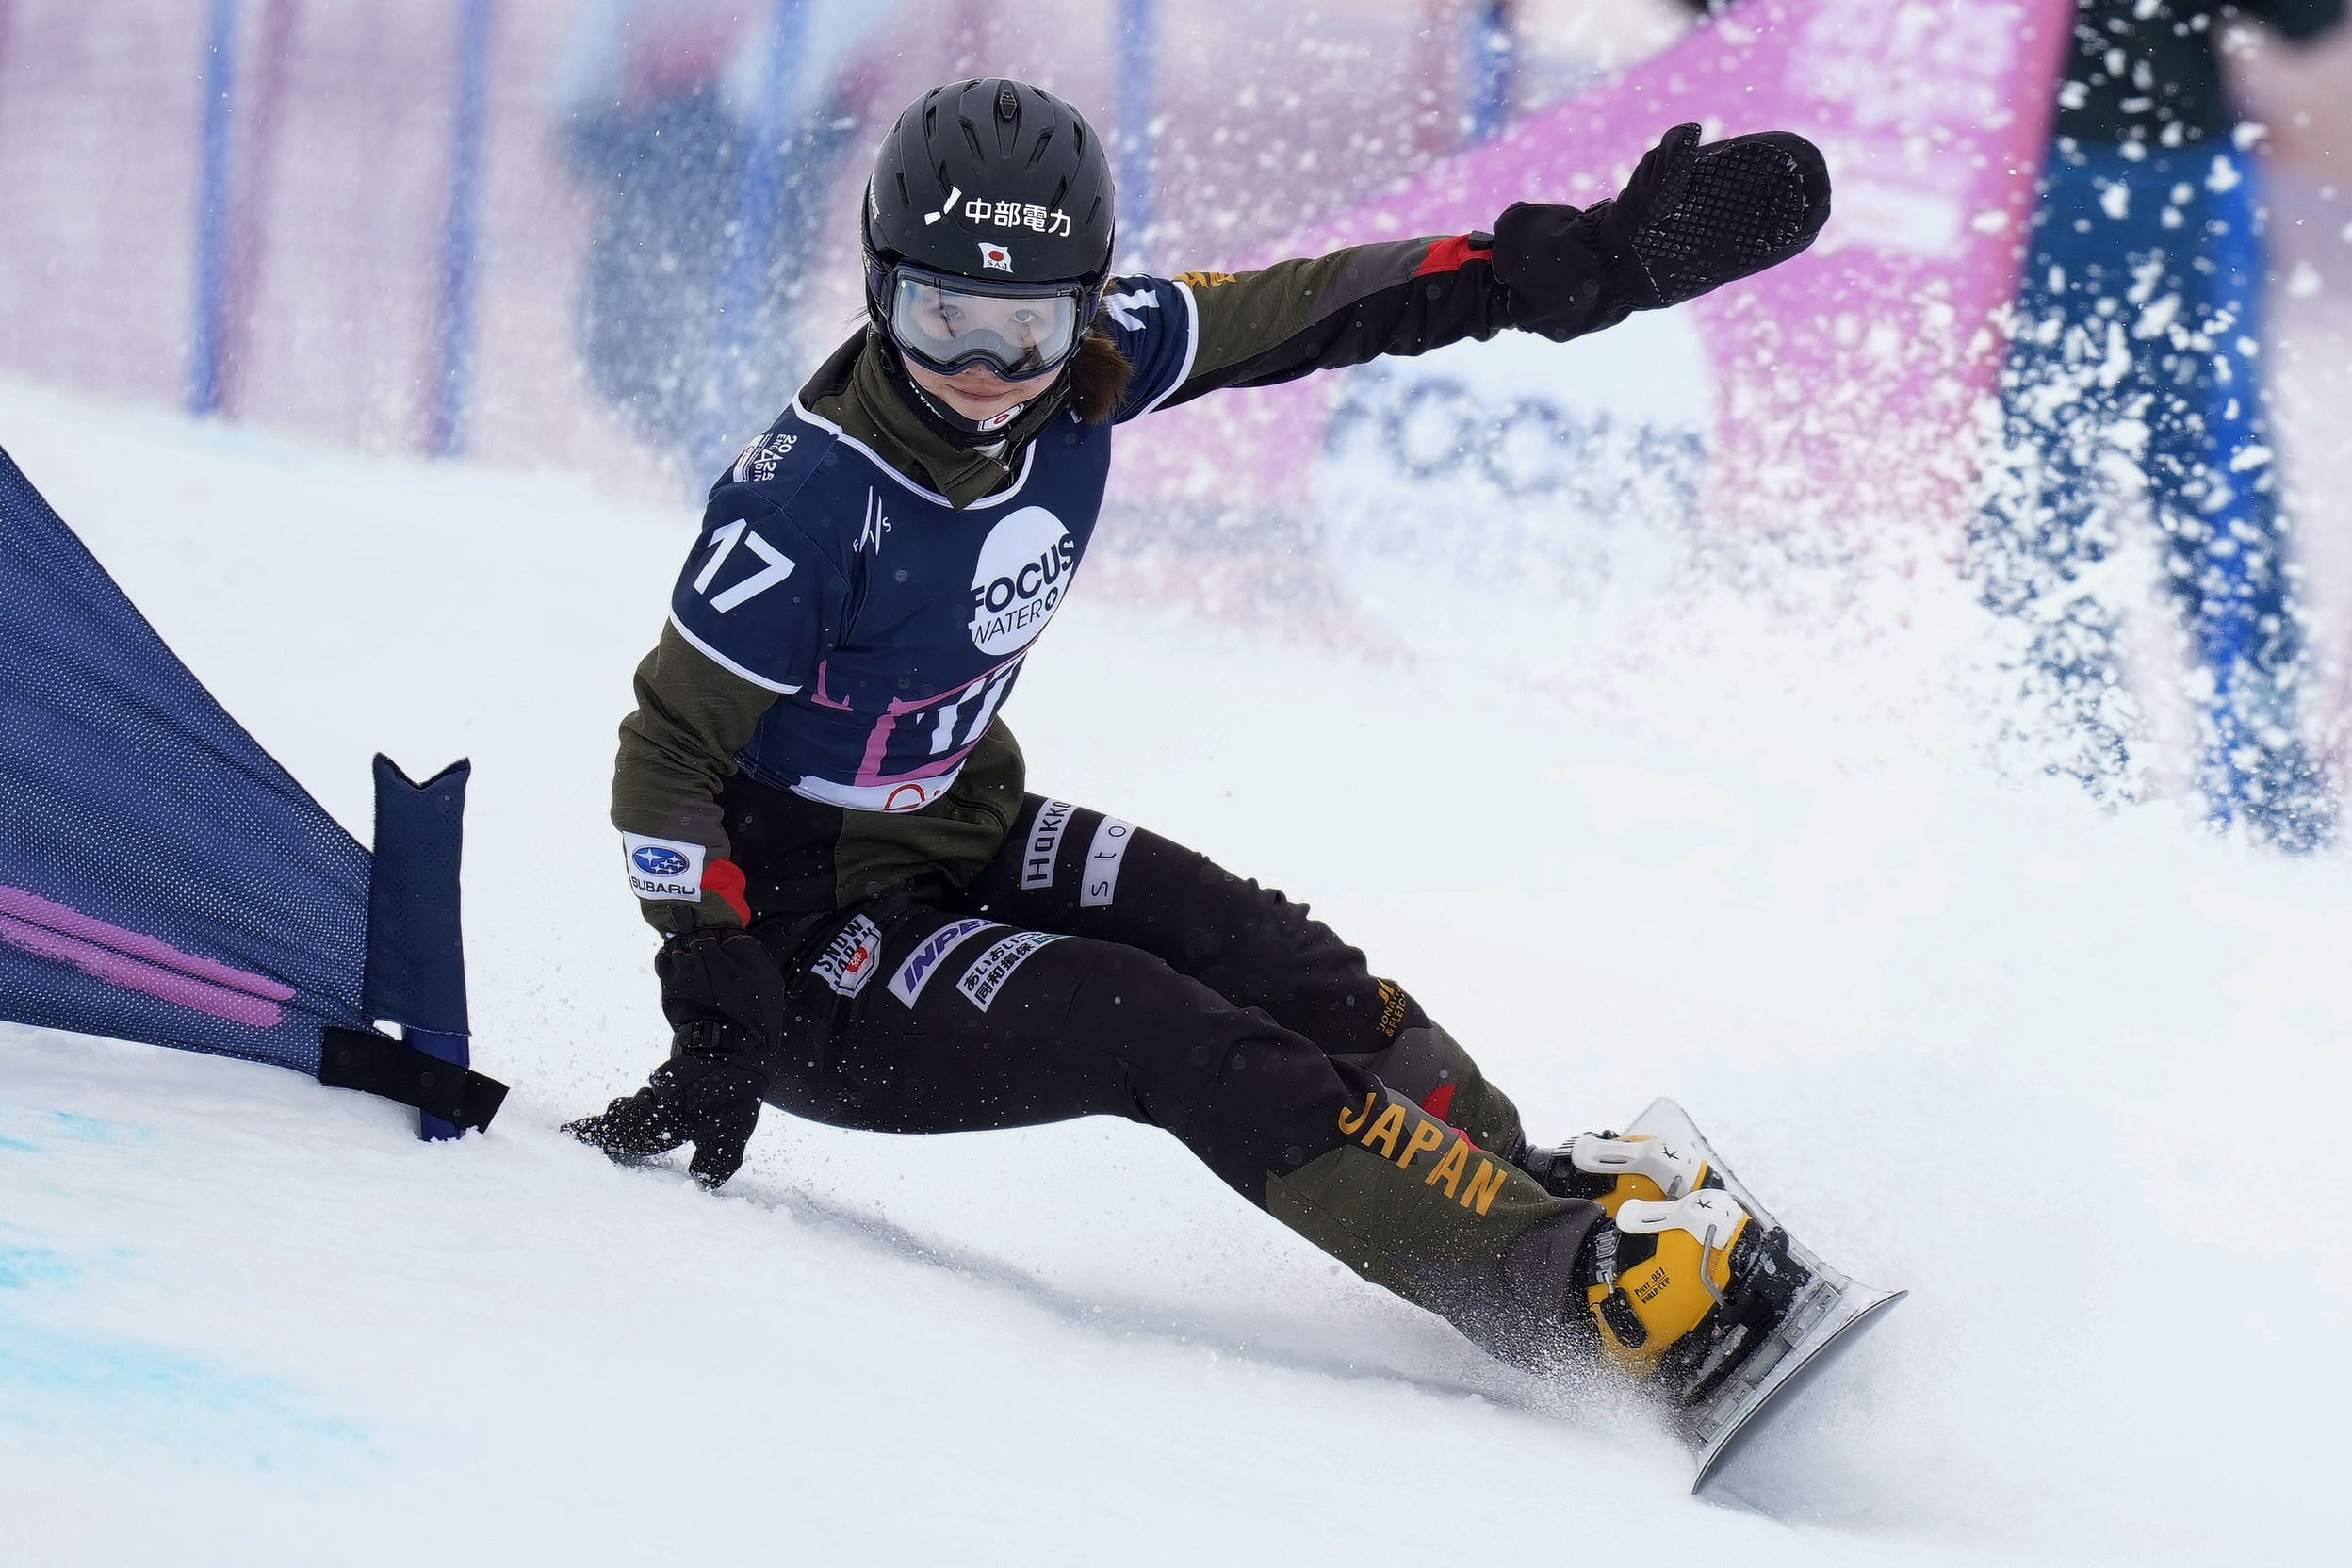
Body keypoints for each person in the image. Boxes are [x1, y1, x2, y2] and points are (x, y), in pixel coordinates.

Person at [566, 78, 1830, 1385]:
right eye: (942, 318)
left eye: (1028, 328)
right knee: (1159, 1026)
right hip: (807, 952)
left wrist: (1557, 262)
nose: (986, 375)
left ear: (1089, 303)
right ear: (880, 289)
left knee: (1284, 963)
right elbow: (666, 756)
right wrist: (712, 989)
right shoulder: (812, 499)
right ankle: (1572, 1293)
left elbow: (1328, 305)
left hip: (961, 836)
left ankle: (1518, 1187)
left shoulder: (1102, 365)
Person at [1979, 0, 2343, 843]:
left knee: (2043, 508)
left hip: (2029, 175)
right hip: (2139, 174)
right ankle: (2260, 811)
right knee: (2204, 503)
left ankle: (2066, 805)